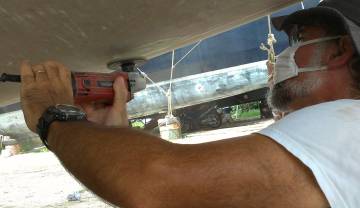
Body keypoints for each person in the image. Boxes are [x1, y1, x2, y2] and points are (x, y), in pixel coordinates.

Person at [19, 0, 360, 207]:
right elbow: (182, 197)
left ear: (341, 50)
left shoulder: (345, 126)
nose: (284, 53)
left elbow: (155, 185)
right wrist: (113, 138)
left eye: (299, 39)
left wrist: (55, 117)